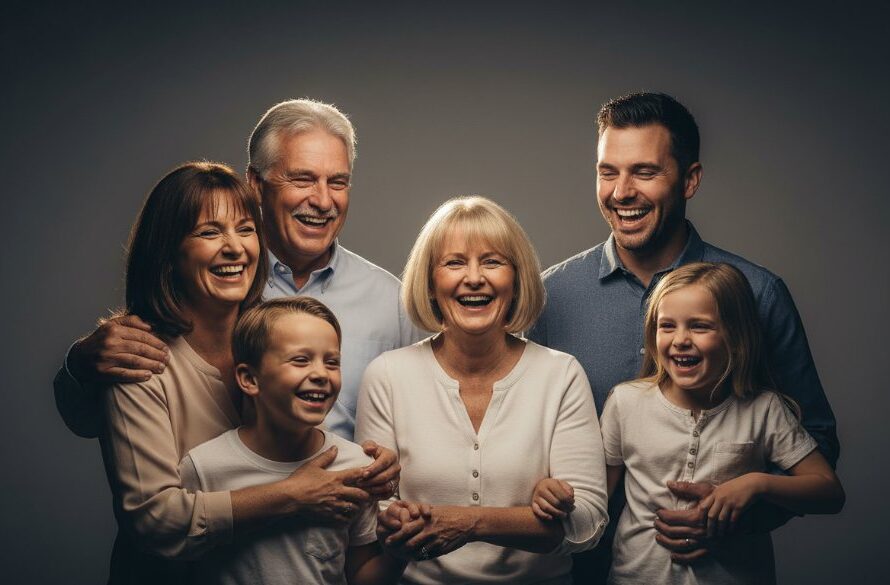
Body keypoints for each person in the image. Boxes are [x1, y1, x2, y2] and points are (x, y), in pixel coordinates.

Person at [527, 92, 839, 576]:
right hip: (590, 572)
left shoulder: (757, 293)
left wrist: (736, 516)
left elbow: (815, 440)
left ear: (690, 179)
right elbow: (531, 437)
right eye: (608, 172)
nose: (621, 192)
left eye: (645, 172)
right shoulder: (550, 295)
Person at [54, 98, 422, 442]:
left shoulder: (390, 300)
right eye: (303, 179)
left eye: (337, 182)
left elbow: (416, 427)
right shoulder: (214, 283)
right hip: (228, 504)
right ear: (256, 184)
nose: (323, 200)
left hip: (350, 507)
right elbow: (92, 422)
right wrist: (81, 365)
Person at [98, 163, 381, 584]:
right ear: (169, 252)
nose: (235, 248)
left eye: (246, 229)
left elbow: (312, 436)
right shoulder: (139, 358)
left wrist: (370, 464)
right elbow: (156, 521)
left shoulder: (279, 334)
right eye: (209, 233)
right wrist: (290, 496)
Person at [355, 196, 609, 584]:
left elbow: (587, 523)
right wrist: (396, 519)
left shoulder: (560, 375)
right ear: (430, 281)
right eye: (454, 262)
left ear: (516, 278)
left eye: (492, 261)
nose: (474, 278)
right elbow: (374, 520)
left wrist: (470, 521)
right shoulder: (387, 376)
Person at [598, 262, 844, 584]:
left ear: (735, 335)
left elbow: (830, 493)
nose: (680, 339)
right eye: (667, 326)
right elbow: (596, 493)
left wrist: (757, 484)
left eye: (699, 326)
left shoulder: (763, 409)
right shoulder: (626, 403)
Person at [180, 297, 408, 585]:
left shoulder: (355, 468)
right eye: (300, 360)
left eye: (332, 362)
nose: (320, 374)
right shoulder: (204, 468)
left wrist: (399, 553)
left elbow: (359, 575)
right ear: (250, 378)